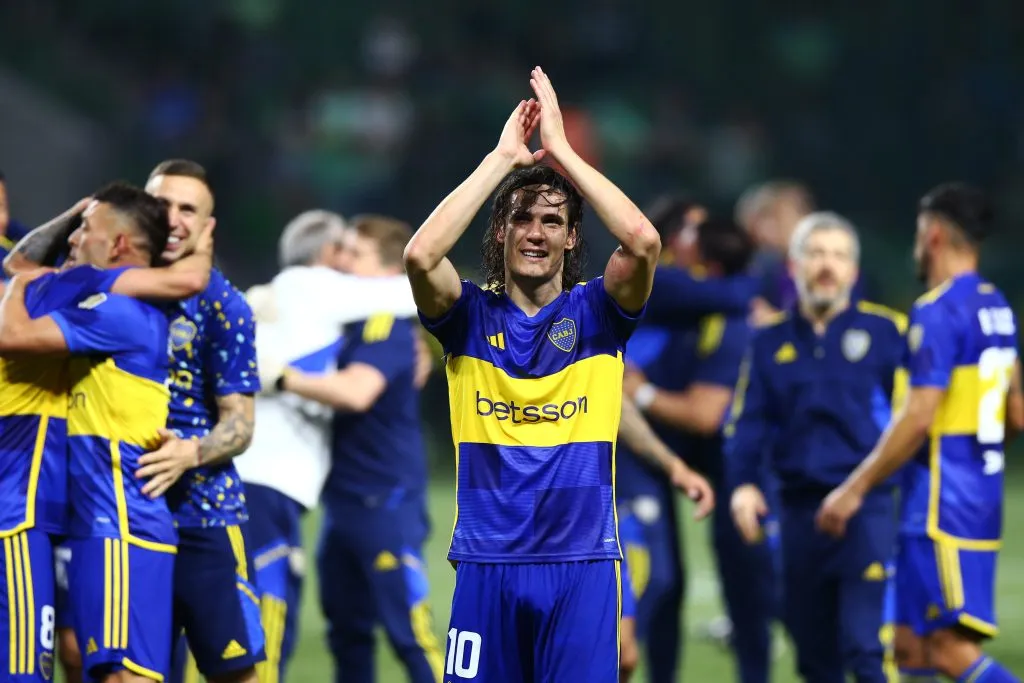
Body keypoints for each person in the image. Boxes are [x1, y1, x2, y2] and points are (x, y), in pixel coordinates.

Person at [408, 66, 702, 681]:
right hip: (487, 563)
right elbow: (420, 255)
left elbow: (644, 241)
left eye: (551, 221)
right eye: (520, 218)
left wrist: (563, 155)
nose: (534, 232)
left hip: (582, 566)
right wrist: (499, 162)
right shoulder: (466, 318)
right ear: (500, 232)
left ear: (572, 239)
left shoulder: (597, 314)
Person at [818, 183, 1024, 683]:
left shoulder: (938, 310)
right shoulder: (996, 307)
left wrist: (853, 489)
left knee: (950, 653)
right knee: (909, 649)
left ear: (932, 235)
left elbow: (919, 416)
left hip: (941, 507)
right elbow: (1016, 414)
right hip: (969, 496)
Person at [0, 182, 176, 682]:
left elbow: (16, 289)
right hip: (69, 514)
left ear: (117, 244)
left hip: (113, 521)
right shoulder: (84, 295)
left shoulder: (110, 306)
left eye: (85, 229)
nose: (74, 238)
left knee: (109, 672)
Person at [728, 211, 906, 683]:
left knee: (866, 649)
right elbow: (748, 423)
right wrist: (744, 484)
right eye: (817, 253)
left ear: (853, 270)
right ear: (794, 265)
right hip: (797, 513)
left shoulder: (888, 334)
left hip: (866, 510)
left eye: (839, 255)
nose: (828, 265)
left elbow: (914, 422)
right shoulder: (768, 342)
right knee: (813, 656)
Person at [263, 215, 441, 683]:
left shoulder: (385, 322)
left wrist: (277, 376)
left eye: (354, 254)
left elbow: (357, 392)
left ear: (386, 270)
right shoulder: (347, 323)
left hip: (385, 501)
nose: (340, 262)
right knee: (346, 633)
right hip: (344, 502)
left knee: (410, 634)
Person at [624, 215, 777, 683]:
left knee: (752, 576)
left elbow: (707, 413)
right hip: (637, 449)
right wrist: (749, 291)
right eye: (687, 229)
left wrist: (644, 393)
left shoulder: (722, 320)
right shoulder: (662, 285)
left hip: (714, 451)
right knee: (660, 579)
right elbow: (728, 294)